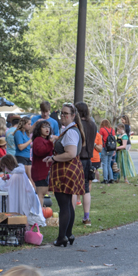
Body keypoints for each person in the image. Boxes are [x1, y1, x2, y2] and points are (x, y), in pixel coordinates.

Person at [47, 103, 85, 247]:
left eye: (66, 114)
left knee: (64, 205)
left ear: (73, 116)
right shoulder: (69, 130)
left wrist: (53, 158)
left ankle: (62, 237)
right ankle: (68, 234)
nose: (62, 116)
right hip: (68, 169)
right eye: (61, 113)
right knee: (68, 204)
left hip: (66, 170)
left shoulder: (71, 132)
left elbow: (71, 153)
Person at [0, 156, 45, 225]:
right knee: (22, 216)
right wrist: (9, 177)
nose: (4, 169)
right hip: (23, 196)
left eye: (3, 167)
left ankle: (21, 229)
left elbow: (9, 186)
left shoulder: (17, 174)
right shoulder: (18, 171)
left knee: (20, 215)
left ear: (7, 165)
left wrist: (1, 187)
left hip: (23, 198)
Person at [74, 101, 97, 226]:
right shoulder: (93, 125)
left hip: (77, 158)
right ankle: (86, 217)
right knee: (86, 189)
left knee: (73, 189)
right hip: (88, 158)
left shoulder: (77, 125)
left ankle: (70, 216)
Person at [31, 120, 55, 211]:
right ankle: (39, 215)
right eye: (44, 127)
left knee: (43, 193)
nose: (47, 129)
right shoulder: (38, 139)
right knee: (40, 194)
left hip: (45, 171)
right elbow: (40, 151)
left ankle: (41, 213)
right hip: (39, 171)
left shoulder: (45, 140)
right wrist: (50, 143)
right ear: (39, 129)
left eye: (48, 127)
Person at [100, 119, 116, 184]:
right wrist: (115, 149)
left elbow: (100, 139)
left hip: (105, 148)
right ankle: (111, 178)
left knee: (104, 164)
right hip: (111, 148)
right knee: (109, 164)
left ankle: (105, 179)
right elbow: (114, 140)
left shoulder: (102, 129)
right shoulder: (112, 130)